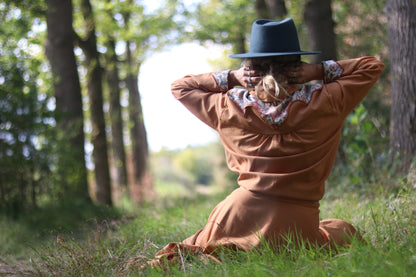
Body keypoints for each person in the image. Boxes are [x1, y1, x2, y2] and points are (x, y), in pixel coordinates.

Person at [146, 18, 384, 268]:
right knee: (338, 232)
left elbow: (181, 87)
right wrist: (317, 71)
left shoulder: (229, 107)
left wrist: (232, 77)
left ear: (250, 68)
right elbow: (372, 66)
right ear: (297, 65)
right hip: (298, 220)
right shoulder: (327, 101)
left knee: (201, 253)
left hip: (239, 213)